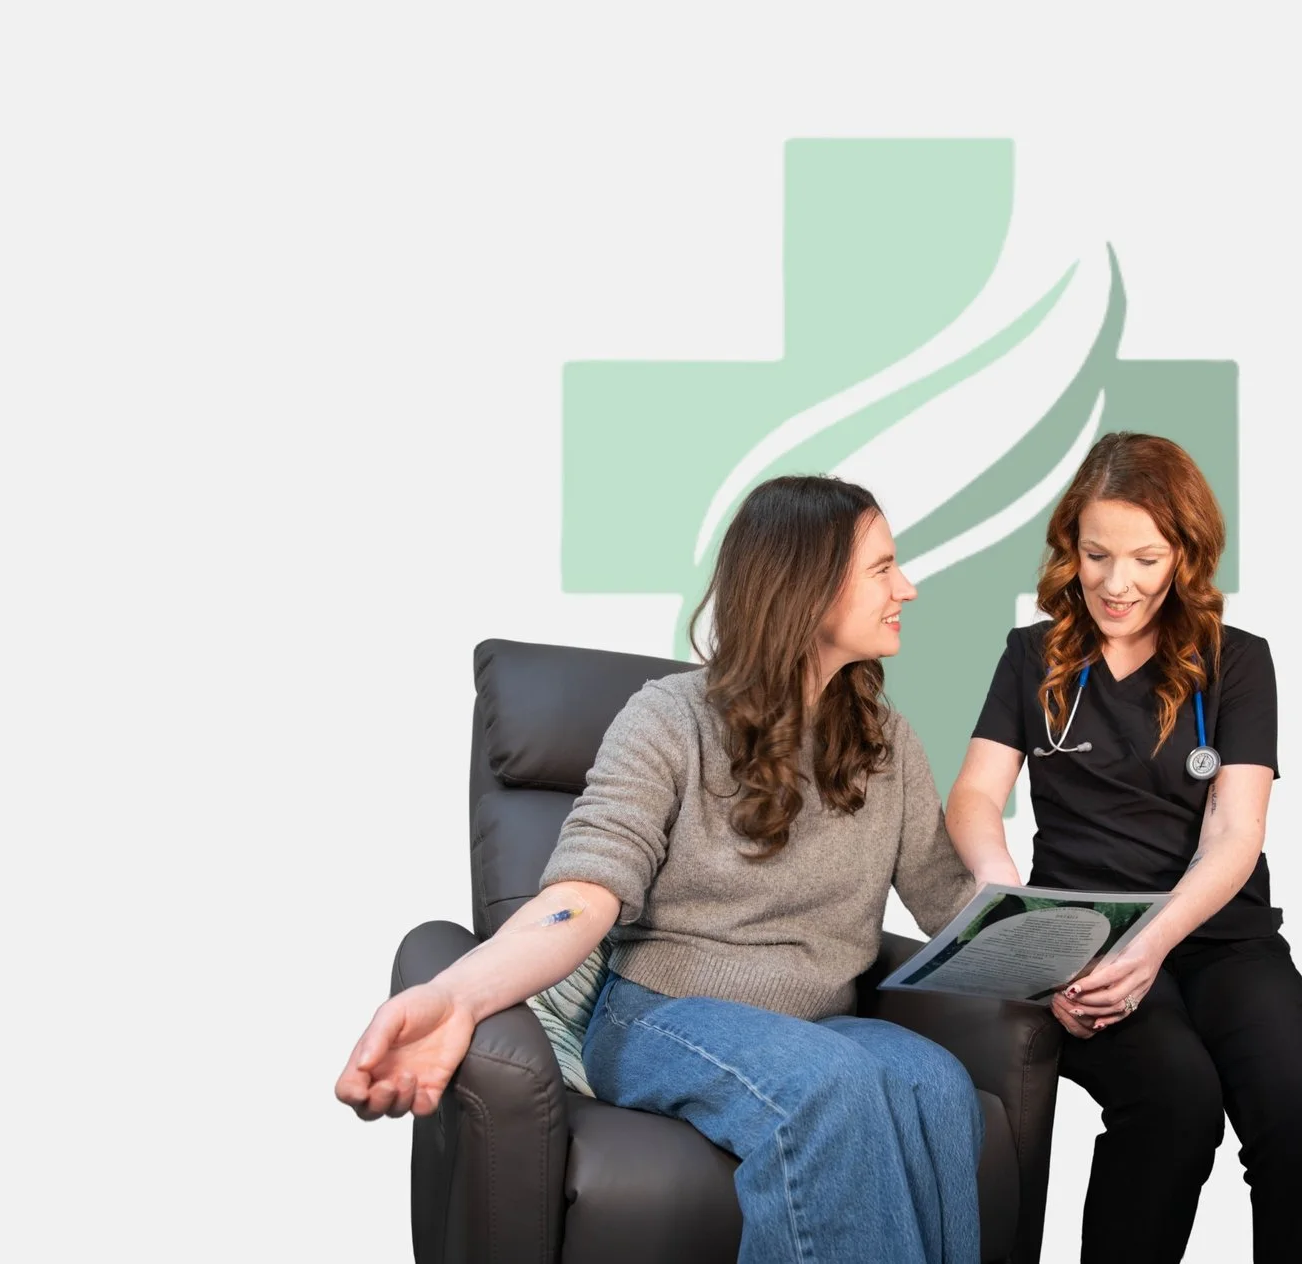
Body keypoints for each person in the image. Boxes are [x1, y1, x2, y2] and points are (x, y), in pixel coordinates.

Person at [335, 475, 986, 1264]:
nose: (907, 588)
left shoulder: (885, 740)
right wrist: (454, 994)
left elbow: (948, 899)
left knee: (939, 1086)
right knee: (830, 1087)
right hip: (662, 1012)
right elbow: (583, 893)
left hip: (818, 1023)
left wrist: (1068, 951)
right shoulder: (669, 718)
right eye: (883, 568)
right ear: (806, 585)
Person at [945, 432, 1302, 1262]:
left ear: (1184, 551)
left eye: (1145, 557)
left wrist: (1158, 939)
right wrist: (1016, 915)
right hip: (1089, 942)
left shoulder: (1237, 663)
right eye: (1096, 554)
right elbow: (974, 797)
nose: (1115, 583)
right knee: (1175, 1106)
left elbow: (1235, 831)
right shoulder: (1034, 658)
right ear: (1072, 545)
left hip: (1221, 939)